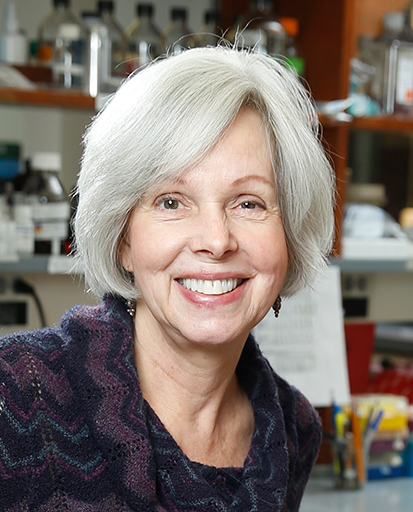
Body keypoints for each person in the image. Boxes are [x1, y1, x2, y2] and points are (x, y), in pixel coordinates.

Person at [0, 45, 335, 511]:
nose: (216, 241)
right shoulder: (15, 391)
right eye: (172, 201)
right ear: (123, 239)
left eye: (249, 203)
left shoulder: (293, 427)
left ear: (290, 237)